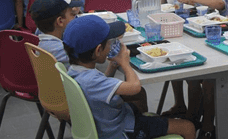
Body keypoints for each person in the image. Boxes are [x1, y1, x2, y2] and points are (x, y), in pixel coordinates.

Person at [63, 15, 195, 139]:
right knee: (188, 127)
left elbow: (101, 86)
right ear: (98, 51)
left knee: (138, 103)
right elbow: (134, 87)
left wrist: (113, 66)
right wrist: (125, 63)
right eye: (109, 42)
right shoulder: (91, 80)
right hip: (122, 131)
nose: (111, 45)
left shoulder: (75, 71)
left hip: (109, 124)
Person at [31, 0, 83, 69]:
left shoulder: (41, 37)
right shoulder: (60, 50)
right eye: (72, 14)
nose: (75, 18)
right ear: (60, 21)